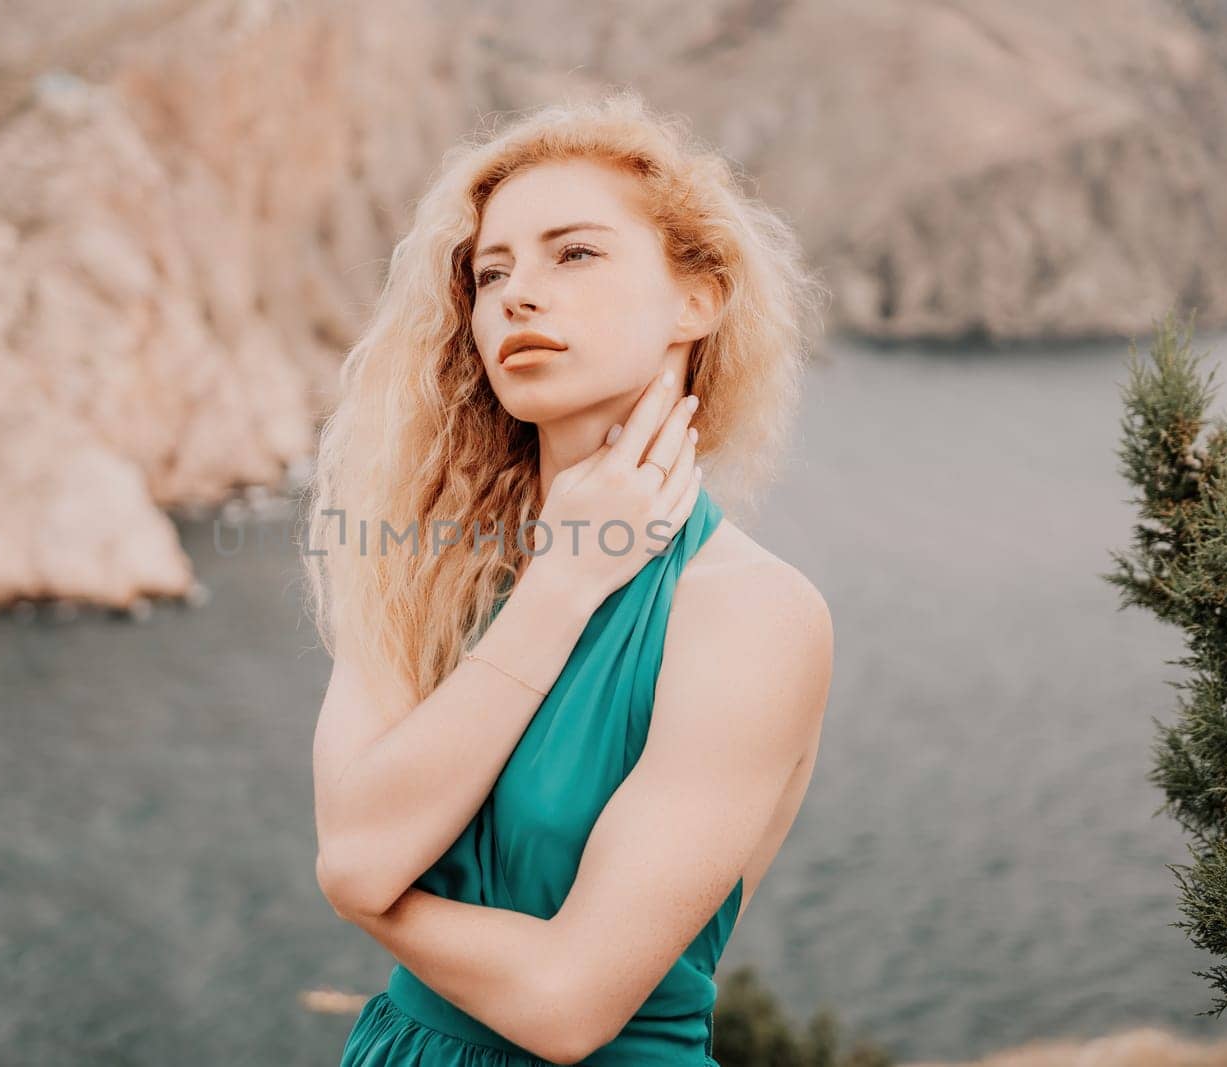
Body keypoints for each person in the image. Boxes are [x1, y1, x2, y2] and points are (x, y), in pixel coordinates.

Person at [303, 89, 834, 1066]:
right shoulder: (419, 563)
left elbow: (564, 1003)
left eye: (573, 252)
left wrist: (363, 895)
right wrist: (562, 583)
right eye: (488, 270)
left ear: (698, 296)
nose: (516, 293)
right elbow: (358, 854)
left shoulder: (752, 613)